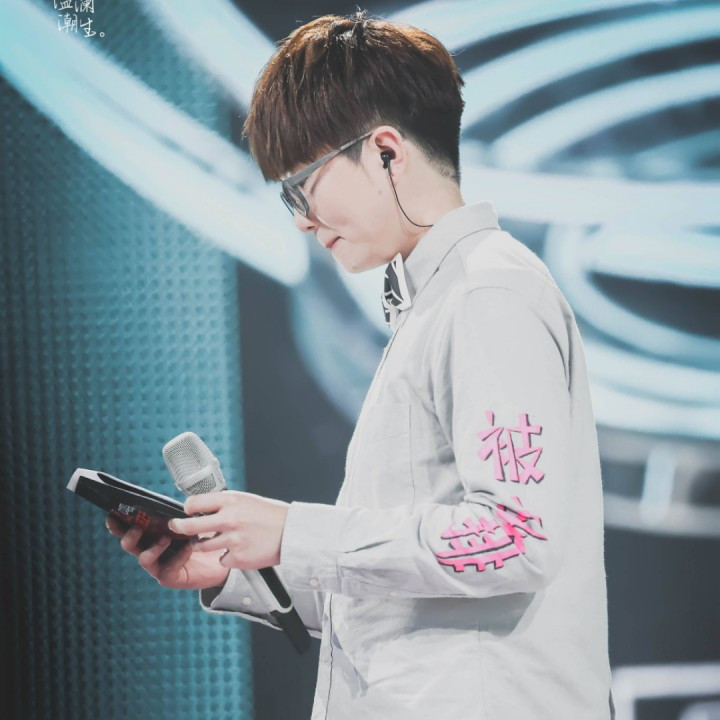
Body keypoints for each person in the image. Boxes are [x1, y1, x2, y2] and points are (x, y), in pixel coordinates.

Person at [107, 9, 615, 719]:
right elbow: (401, 594)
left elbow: (514, 539)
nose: (299, 218)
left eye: (303, 184)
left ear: (384, 153)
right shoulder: (440, 302)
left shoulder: (487, 291)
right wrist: (238, 567)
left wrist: (292, 531)